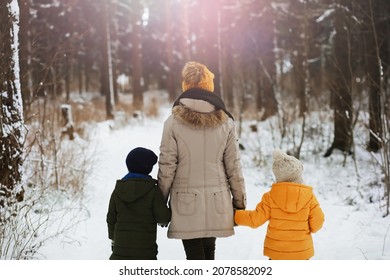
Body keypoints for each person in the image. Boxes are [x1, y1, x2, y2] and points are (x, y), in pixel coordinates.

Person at [157, 61, 247, 260]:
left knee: (195, 258)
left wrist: (160, 204)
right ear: (210, 87)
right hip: (218, 199)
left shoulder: (173, 122)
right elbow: (234, 167)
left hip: (185, 202)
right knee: (209, 254)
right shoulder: (226, 122)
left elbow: (166, 166)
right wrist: (239, 204)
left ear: (185, 87)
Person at [235, 149, 325, 260]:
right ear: (298, 177)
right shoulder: (309, 197)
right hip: (301, 254)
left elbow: (255, 219)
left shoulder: (270, 197)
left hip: (277, 255)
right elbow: (318, 221)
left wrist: (235, 216)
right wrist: (311, 229)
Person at [106, 147, 171, 260]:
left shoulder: (118, 190)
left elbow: (111, 218)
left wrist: (114, 239)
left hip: (119, 253)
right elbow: (163, 218)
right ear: (149, 169)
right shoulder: (153, 191)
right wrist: (171, 206)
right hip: (146, 254)